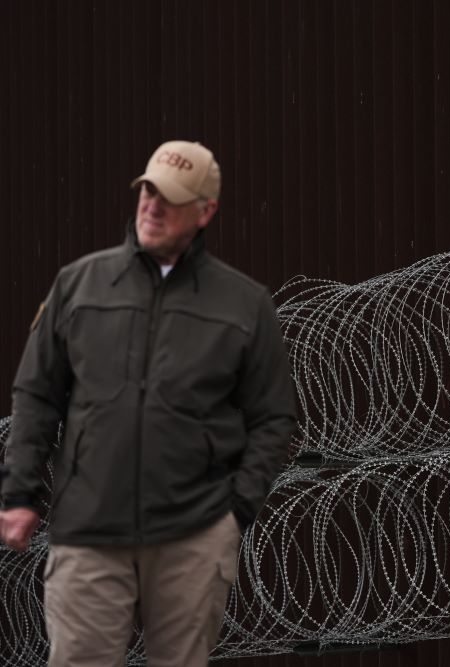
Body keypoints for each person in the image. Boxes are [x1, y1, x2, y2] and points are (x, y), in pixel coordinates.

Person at [0, 140, 298, 666]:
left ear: (205, 211)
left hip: (192, 536)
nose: (153, 207)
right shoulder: (80, 285)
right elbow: (37, 394)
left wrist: (234, 511)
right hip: (90, 530)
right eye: (147, 192)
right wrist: (20, 493)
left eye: (171, 198)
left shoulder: (243, 304)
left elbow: (274, 417)